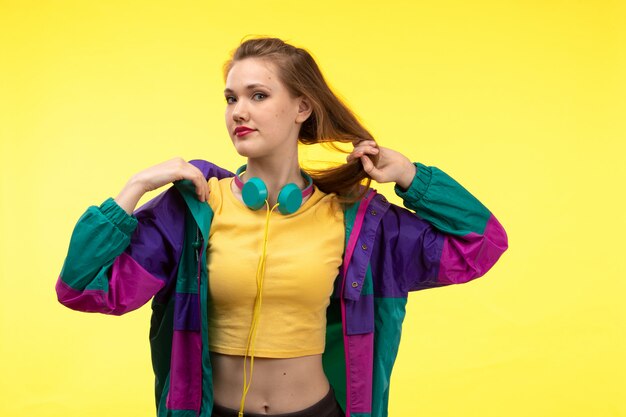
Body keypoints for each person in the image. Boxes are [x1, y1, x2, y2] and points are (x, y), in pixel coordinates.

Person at [56, 37, 508, 417]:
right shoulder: (194, 209)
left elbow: (481, 244)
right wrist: (135, 187)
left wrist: (412, 177)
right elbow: (83, 289)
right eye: (231, 98)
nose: (238, 111)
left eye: (258, 95)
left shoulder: (356, 221)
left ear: (301, 107)